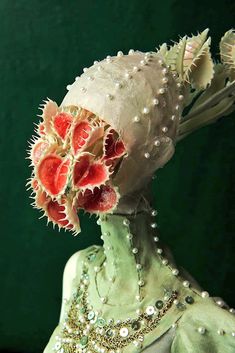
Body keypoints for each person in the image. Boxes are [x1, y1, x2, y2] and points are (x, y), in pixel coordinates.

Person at [28, 29, 235, 353]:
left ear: (159, 152)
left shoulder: (195, 321)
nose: (73, 159)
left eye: (108, 143)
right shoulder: (78, 271)